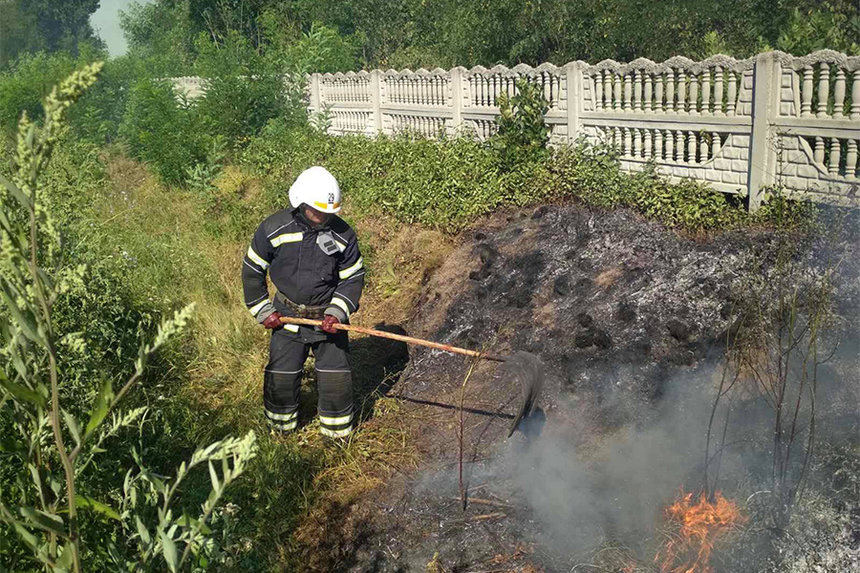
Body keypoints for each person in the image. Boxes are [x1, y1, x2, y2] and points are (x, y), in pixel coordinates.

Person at [241, 166, 364, 438]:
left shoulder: (344, 235)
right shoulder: (274, 228)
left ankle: (337, 439)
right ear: (301, 203)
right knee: (280, 377)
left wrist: (337, 313)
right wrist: (263, 310)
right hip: (286, 317)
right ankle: (280, 435)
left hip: (327, 321)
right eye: (317, 211)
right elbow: (252, 270)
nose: (323, 218)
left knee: (336, 381)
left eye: (329, 213)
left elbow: (353, 278)